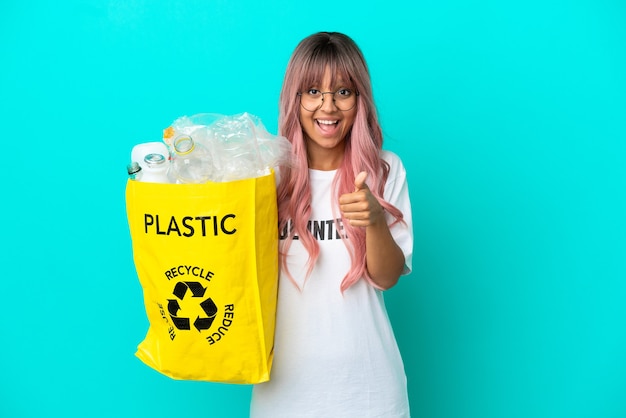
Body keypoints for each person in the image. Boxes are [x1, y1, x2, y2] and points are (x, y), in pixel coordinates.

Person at [250, 31, 414, 417]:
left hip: (370, 392)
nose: (328, 106)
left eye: (343, 92)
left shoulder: (385, 169)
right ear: (295, 98)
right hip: (282, 393)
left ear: (360, 100)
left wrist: (374, 220)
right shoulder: (265, 175)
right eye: (312, 91)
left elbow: (387, 276)